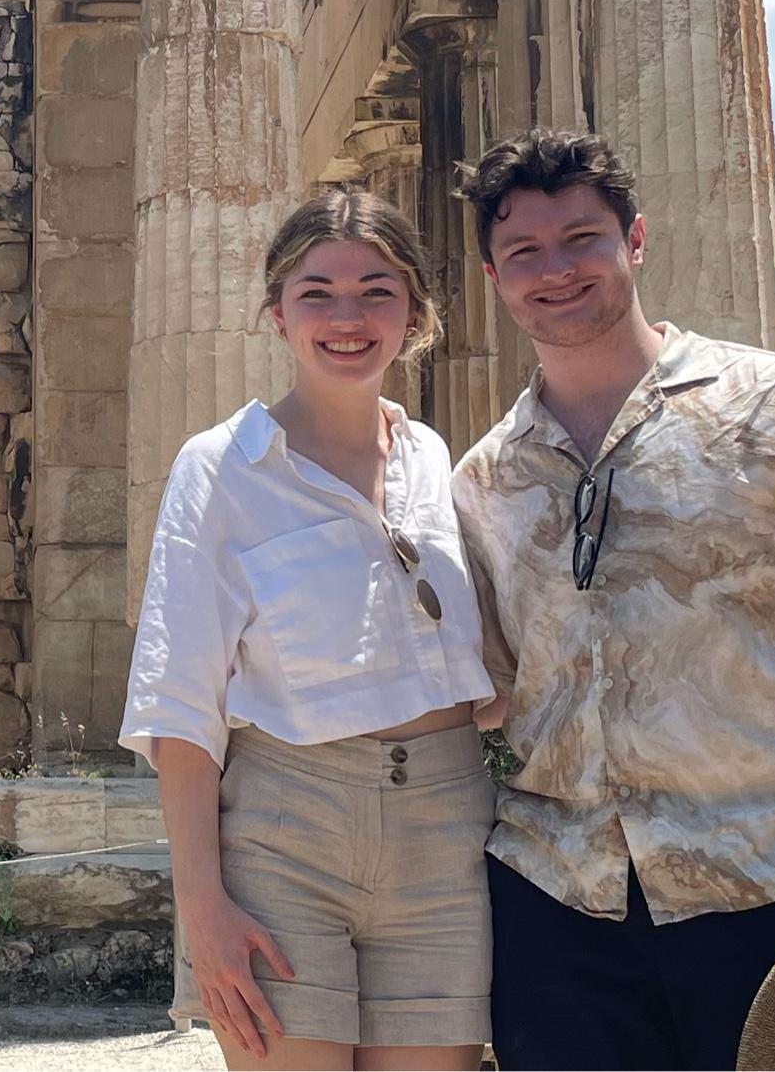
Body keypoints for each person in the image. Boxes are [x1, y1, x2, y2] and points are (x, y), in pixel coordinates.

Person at [449, 129, 775, 1071]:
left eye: (582, 238)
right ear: (493, 275)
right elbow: (491, 692)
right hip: (557, 902)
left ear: (635, 240)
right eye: (524, 251)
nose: (556, 269)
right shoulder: (483, 479)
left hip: (773, 881)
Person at [121, 190, 499, 1071]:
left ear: (414, 312)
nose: (347, 317)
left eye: (376, 291)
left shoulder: (437, 460)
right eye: (317, 292)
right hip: (284, 836)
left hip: (447, 833)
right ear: (277, 312)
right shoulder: (221, 467)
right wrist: (202, 907)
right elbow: (182, 706)